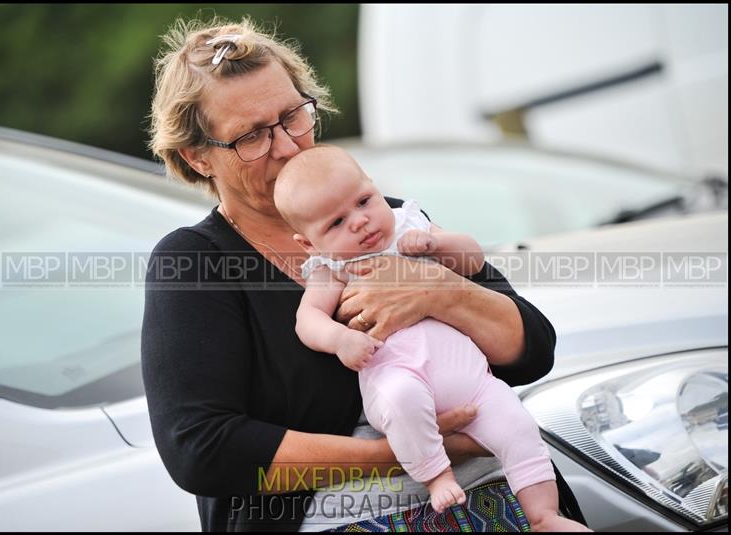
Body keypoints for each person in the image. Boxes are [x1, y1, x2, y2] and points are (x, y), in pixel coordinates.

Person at [142, 15, 579, 531]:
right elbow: (202, 448)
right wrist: (409, 452)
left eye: (292, 117)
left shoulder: (381, 217)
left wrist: (437, 290)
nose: (286, 146)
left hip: (502, 497)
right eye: (252, 137)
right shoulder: (197, 263)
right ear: (197, 159)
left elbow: (532, 352)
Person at [273, 145, 590, 531]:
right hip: (396, 374)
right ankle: (438, 476)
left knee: (515, 423)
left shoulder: (409, 224)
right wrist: (339, 339)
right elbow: (308, 320)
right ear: (308, 244)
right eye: (336, 223)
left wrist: (438, 245)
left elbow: (472, 259)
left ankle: (543, 515)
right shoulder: (331, 268)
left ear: (374, 187)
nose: (359, 222)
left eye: (363, 201)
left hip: (471, 378)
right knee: (403, 402)